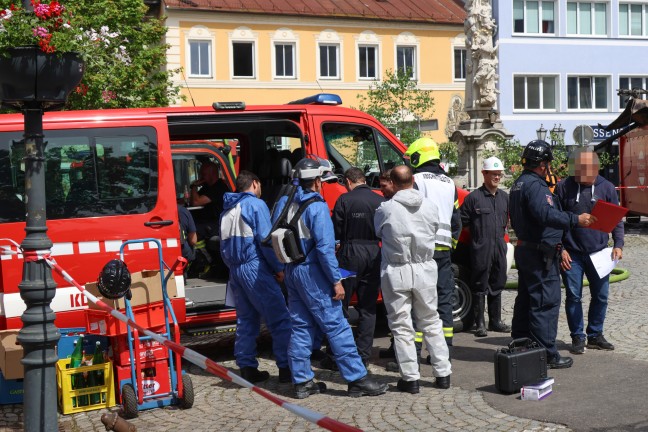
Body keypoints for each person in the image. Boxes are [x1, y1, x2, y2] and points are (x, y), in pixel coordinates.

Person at [272, 157, 388, 399]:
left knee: (301, 327)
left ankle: (302, 381)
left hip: (293, 269)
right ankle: (357, 378)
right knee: (336, 324)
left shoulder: (285, 201)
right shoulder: (316, 206)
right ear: (316, 181)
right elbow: (325, 249)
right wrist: (336, 281)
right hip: (313, 273)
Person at [510, 140, 593, 369]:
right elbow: (544, 214)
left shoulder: (519, 183)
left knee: (526, 299)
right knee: (546, 302)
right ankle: (547, 355)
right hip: (539, 253)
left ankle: (521, 345)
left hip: (526, 249)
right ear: (543, 163)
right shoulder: (536, 186)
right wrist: (576, 219)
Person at [374, 165, 452, 393]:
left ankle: (410, 378)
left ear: (394, 183)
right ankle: (443, 373)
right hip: (425, 267)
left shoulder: (386, 209)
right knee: (431, 320)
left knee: (401, 325)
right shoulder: (430, 206)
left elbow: (378, 230)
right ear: (412, 180)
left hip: (397, 269)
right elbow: (436, 227)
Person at [220, 170, 292, 383]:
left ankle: (247, 367)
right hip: (254, 268)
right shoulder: (255, 205)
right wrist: (279, 268)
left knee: (246, 320)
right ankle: (287, 368)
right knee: (279, 318)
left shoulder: (227, 208)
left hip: (235, 269)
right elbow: (267, 240)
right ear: (255, 183)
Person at [556, 150, 624, 354]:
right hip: (572, 253)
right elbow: (555, 221)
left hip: (599, 252)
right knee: (573, 296)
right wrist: (561, 248)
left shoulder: (607, 187)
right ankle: (578, 336)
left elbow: (617, 218)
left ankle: (595, 335)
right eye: (578, 168)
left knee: (601, 296)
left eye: (586, 169)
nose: (581, 173)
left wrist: (619, 244)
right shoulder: (563, 187)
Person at [404, 137, 461, 348]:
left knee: (418, 301)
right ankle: (443, 351)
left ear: (418, 156)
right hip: (444, 252)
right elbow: (457, 220)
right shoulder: (449, 183)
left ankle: (415, 352)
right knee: (444, 301)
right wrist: (451, 245)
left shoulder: (416, 180)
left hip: (421, 252)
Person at [332, 167, 385, 366]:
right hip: (373, 254)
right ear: (363, 180)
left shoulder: (344, 200)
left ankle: (337, 354)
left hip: (349, 254)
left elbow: (336, 229)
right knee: (368, 307)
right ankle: (363, 355)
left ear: (347, 181)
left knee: (341, 303)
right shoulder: (379, 200)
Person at [460, 157, 511, 337]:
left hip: (499, 246)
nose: (497, 177)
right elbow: (463, 223)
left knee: (497, 282)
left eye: (499, 174)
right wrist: (478, 238)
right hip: (480, 247)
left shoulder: (505, 197)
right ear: (484, 174)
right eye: (493, 174)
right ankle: (479, 323)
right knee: (479, 284)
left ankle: (495, 321)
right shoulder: (473, 198)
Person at [191, 161, 229, 240]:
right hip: (205, 220)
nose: (201, 177)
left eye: (203, 174)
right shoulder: (207, 187)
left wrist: (194, 186)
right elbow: (193, 199)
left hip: (216, 223)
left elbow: (196, 202)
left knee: (191, 230)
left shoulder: (219, 187)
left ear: (212, 174)